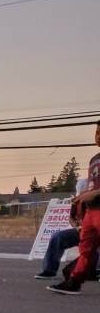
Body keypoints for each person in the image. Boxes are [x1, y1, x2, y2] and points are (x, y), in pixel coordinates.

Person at [49, 119, 100, 295]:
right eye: (97, 132)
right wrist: (83, 196)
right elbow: (93, 185)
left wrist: (95, 193)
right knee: (85, 249)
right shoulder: (94, 159)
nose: (98, 136)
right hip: (91, 212)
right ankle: (74, 282)